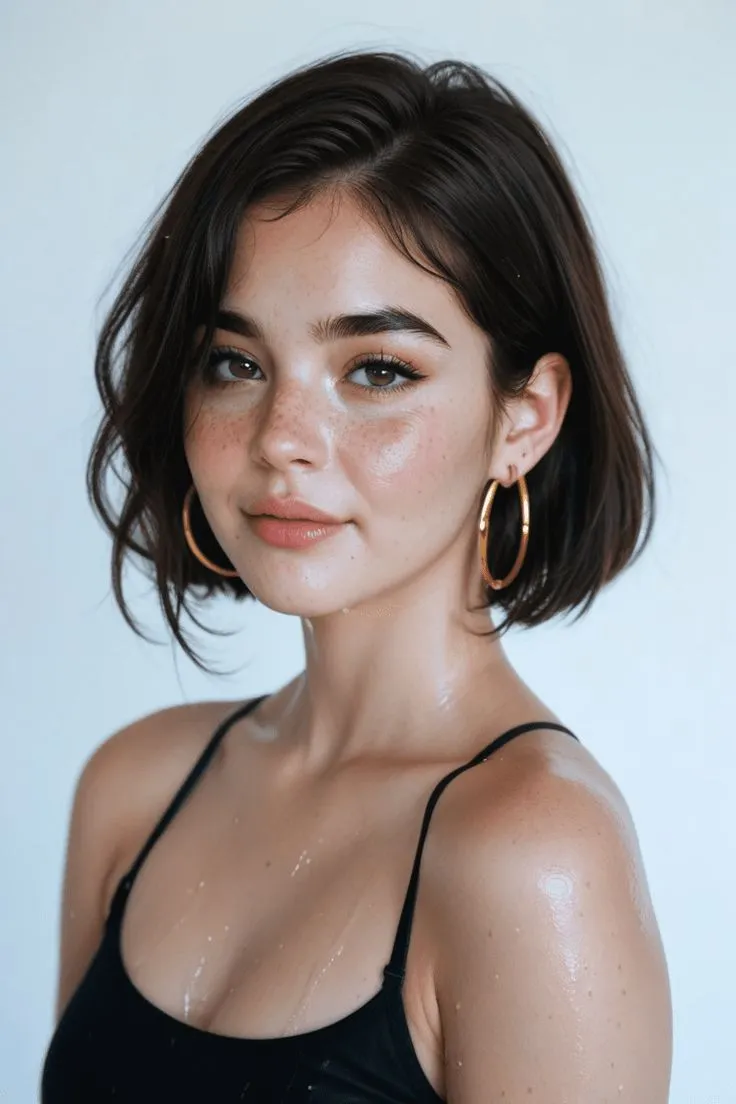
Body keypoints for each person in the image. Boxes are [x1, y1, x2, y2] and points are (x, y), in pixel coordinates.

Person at [41, 48, 673, 1103]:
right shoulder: (132, 789)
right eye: (235, 363)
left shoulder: (534, 856)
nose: (282, 438)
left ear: (524, 417)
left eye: (376, 370)